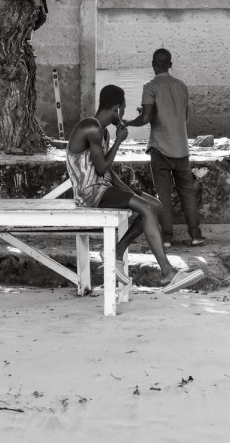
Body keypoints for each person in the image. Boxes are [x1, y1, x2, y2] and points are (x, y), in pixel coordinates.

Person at [66, 85, 203, 294]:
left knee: (155, 205)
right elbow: (102, 167)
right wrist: (119, 141)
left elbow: (106, 173)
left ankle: (117, 252)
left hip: (102, 188)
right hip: (89, 194)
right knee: (146, 210)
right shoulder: (91, 128)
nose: (123, 115)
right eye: (123, 109)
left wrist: (130, 192)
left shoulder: (102, 133)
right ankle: (167, 273)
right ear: (117, 108)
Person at [125, 48, 204, 247]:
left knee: (163, 195)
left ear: (153, 64)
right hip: (181, 148)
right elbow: (183, 118)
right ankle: (196, 235)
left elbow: (146, 118)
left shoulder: (150, 87)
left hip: (160, 148)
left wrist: (127, 123)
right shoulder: (182, 86)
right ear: (170, 65)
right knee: (187, 192)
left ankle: (167, 238)